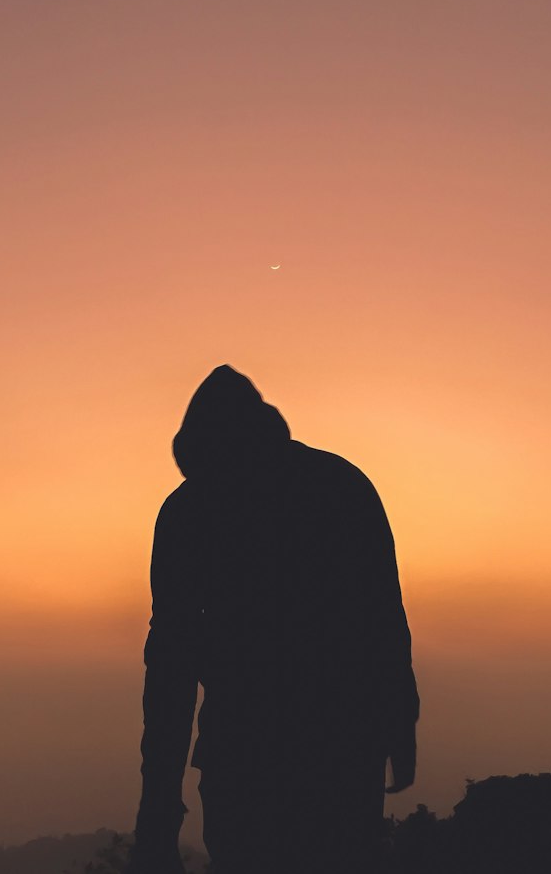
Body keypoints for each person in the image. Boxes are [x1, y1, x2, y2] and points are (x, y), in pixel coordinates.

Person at [131, 365, 419, 874]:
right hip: (319, 748)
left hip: (273, 751)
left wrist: (158, 807)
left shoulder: (191, 510)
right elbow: (385, 621)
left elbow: (171, 664)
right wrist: (398, 722)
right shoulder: (342, 486)